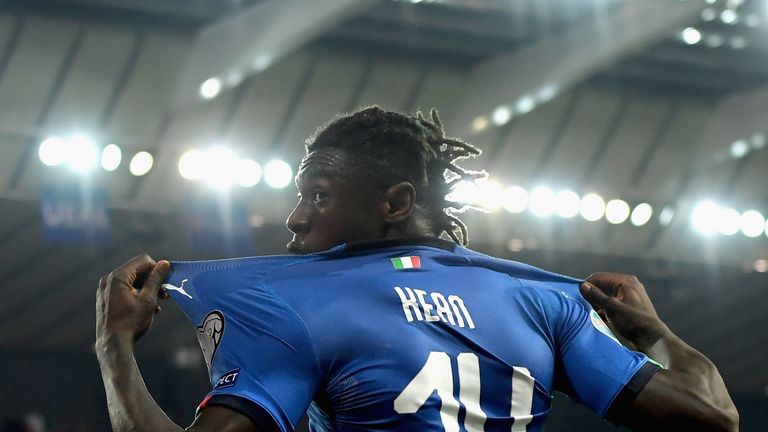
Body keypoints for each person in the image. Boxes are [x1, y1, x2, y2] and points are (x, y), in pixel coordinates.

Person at [95, 107, 738, 431]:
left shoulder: (294, 309)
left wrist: (115, 345)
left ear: (396, 203)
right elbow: (716, 419)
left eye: (317, 195)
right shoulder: (541, 303)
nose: (294, 218)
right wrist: (656, 332)